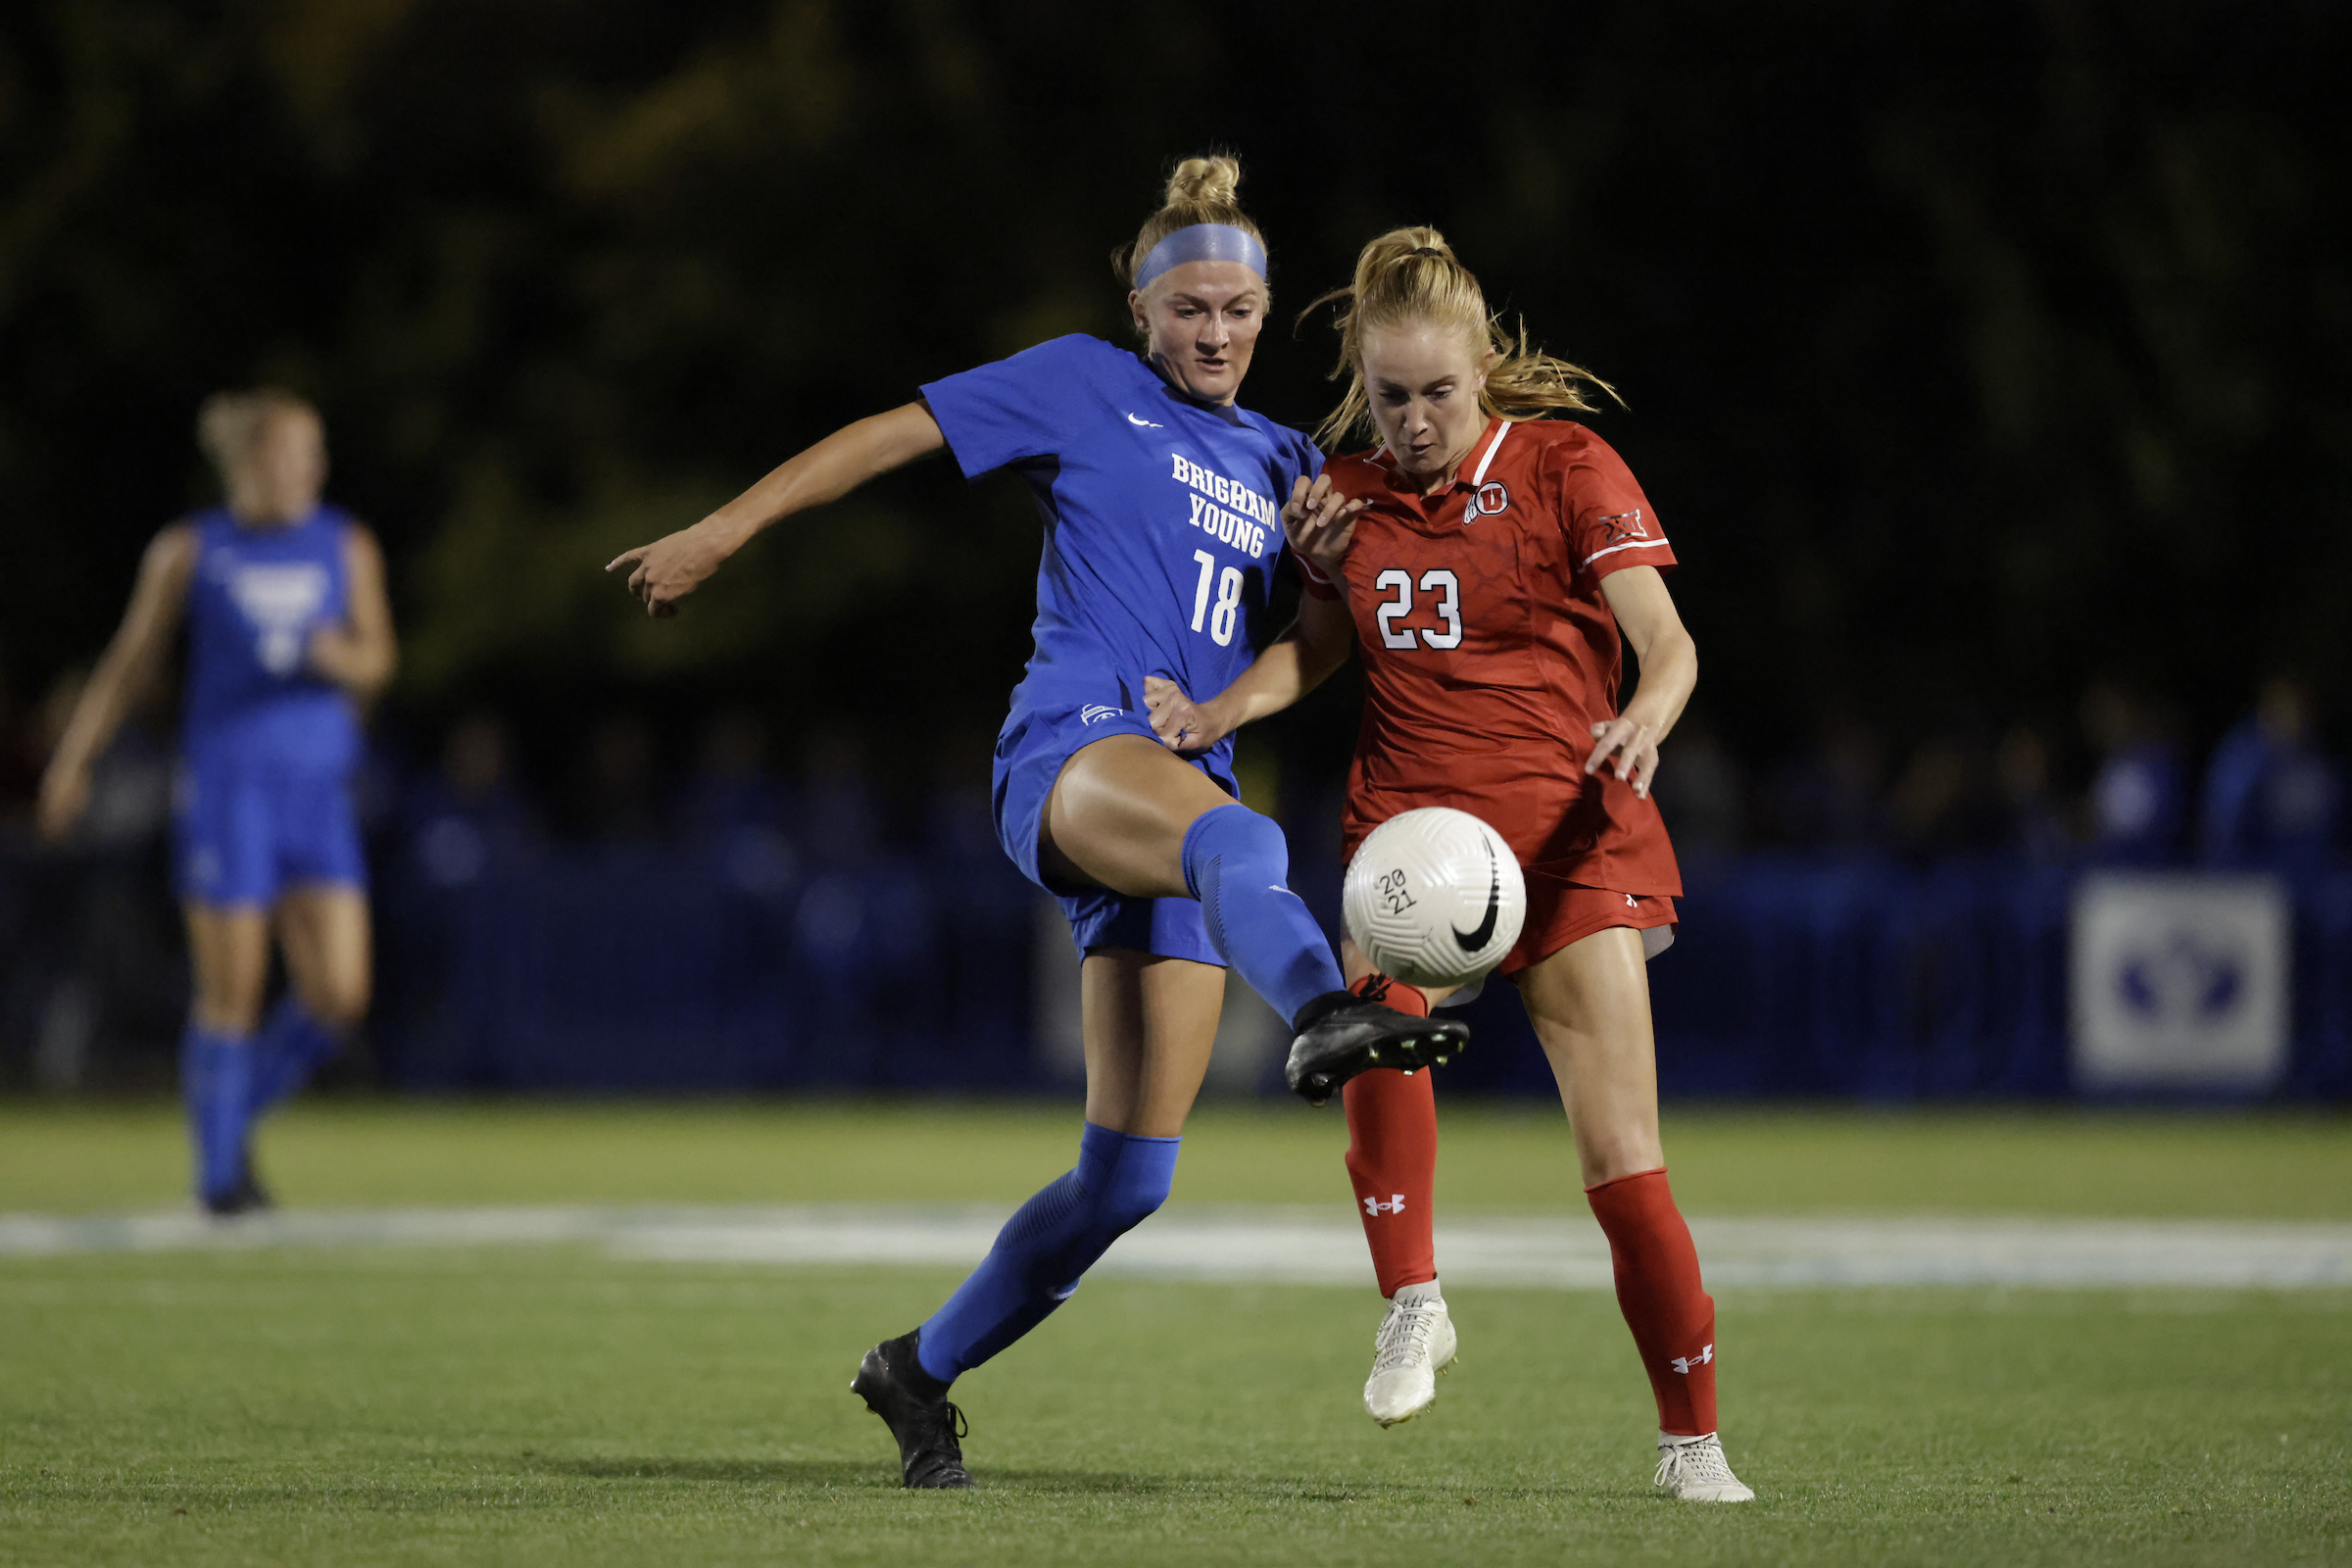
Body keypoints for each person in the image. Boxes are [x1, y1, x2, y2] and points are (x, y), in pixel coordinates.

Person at [606, 157, 1466, 1490]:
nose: (1218, 332)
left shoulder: (1292, 462)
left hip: (1177, 794)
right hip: (1074, 751)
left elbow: (1323, 640)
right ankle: (1323, 1013)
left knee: (1126, 1181)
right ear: (1140, 310)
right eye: (1190, 308)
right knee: (1246, 846)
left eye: (1241, 309)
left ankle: (915, 1370)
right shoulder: (1080, 381)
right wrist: (725, 531)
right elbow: (888, 436)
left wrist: (1293, 614)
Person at [1144, 228, 1753, 1501]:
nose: (1414, 420)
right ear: (1362, 384)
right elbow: (1317, 651)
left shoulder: (1566, 464)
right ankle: (1413, 1296)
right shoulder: (1343, 494)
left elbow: (1670, 640)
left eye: (1437, 393)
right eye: (1389, 395)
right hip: (1414, 839)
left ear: (1484, 367)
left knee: (1623, 1162)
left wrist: (1647, 710)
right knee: (1373, 1018)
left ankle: (1691, 1440)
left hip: (1568, 844)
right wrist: (1222, 713)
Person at [39, 389, 396, 1213]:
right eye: (289, 455)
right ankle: (219, 1179)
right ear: (245, 464)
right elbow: (130, 663)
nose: (307, 471)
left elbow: (380, 661)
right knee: (232, 991)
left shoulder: (346, 544)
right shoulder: (191, 551)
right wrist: (72, 763)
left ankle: (225, 1125)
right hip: (229, 788)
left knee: (340, 993)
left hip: (317, 790)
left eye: (314, 455)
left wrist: (341, 659)